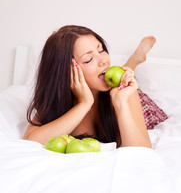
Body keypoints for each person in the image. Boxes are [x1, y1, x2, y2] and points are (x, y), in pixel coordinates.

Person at [23, 25, 156, 148]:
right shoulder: (56, 100)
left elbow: (142, 151)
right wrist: (84, 104)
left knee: (126, 77)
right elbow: (30, 140)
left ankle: (133, 61)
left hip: (134, 100)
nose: (104, 61)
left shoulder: (124, 91)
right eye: (88, 59)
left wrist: (121, 103)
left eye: (101, 50)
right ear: (65, 72)